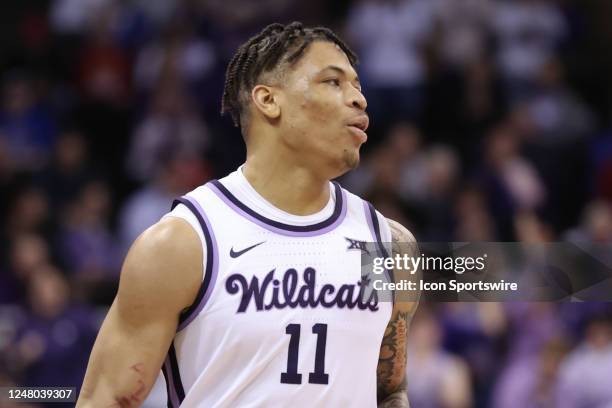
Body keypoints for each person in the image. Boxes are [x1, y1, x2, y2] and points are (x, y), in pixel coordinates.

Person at [76, 22, 418, 408]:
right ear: (268, 100)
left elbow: (390, 391)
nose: (358, 99)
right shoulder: (184, 243)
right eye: (333, 82)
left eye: (357, 85)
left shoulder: (387, 244)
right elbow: (104, 399)